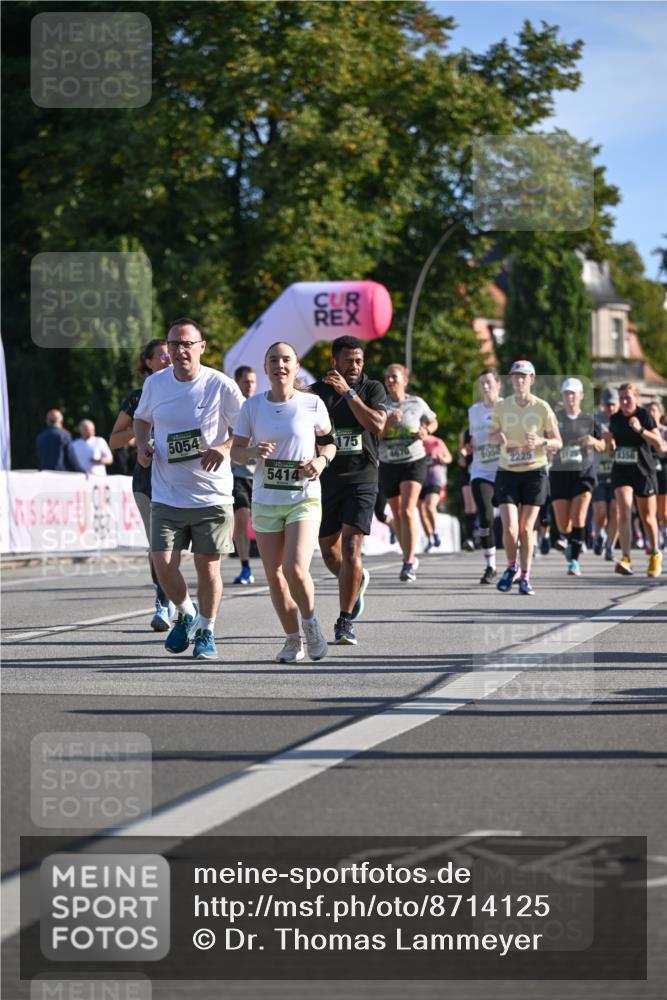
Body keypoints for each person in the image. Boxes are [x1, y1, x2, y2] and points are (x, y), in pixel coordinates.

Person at [134, 318, 244, 659]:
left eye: (187, 344)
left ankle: (207, 631)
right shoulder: (155, 383)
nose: (180, 350)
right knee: (162, 562)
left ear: (201, 347)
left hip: (211, 494)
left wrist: (224, 447)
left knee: (207, 568)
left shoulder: (221, 385)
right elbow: (142, 418)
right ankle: (186, 612)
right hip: (167, 492)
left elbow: (245, 430)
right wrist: (142, 445)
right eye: (174, 344)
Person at [231, 342, 336, 662]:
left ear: (296, 366)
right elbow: (236, 451)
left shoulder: (312, 403)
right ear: (265, 368)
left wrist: (321, 462)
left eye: (286, 360)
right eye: (273, 360)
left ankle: (311, 624)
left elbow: (330, 443)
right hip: (266, 499)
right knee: (275, 575)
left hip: (303, 497)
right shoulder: (252, 407)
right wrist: (252, 452)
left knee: (294, 569)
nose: (280, 365)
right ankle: (292, 640)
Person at [309, 335, 387, 645]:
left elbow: (377, 424)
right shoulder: (316, 393)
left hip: (362, 477)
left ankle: (344, 621)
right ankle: (356, 579)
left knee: (352, 547)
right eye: (348, 361)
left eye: (358, 361)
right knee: (330, 553)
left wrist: (349, 392)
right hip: (326, 479)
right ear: (334, 362)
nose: (354, 366)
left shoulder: (371, 388)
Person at [109, 338, 174, 631]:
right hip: (147, 478)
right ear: (148, 363)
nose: (168, 359)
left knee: (177, 547)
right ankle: (163, 601)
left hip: (181, 479)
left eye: (171, 354)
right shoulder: (138, 397)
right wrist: (141, 431)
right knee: (157, 544)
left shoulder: (187, 392)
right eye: (162, 355)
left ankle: (180, 597)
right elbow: (114, 440)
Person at [489, 360, 562, 595]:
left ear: (532, 379)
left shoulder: (542, 407)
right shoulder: (501, 407)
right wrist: (497, 437)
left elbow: (558, 442)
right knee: (510, 528)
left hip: (534, 472)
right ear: (511, 379)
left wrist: (542, 441)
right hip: (507, 471)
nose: (519, 380)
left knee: (526, 528)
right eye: (516, 376)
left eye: (524, 376)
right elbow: (491, 435)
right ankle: (511, 567)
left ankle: (525, 576)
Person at [378, 363, 438, 582]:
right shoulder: (380, 405)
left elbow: (433, 421)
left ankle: (409, 562)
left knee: (407, 510)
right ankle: (408, 556)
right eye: (387, 377)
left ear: (405, 380)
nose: (390, 381)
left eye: (394, 377)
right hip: (388, 463)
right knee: (397, 513)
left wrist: (426, 430)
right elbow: (374, 434)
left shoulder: (416, 402)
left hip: (413, 461)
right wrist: (388, 425)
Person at [548, 378, 605, 577]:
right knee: (564, 524)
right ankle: (572, 543)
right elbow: (546, 441)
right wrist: (549, 448)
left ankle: (573, 561)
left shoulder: (589, 420)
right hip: (560, 474)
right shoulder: (555, 420)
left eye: (573, 393)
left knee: (579, 516)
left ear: (581, 396)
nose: (570, 397)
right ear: (563, 397)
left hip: (583, 474)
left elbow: (603, 445)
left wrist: (593, 441)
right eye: (567, 393)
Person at [607, 383, 662, 577]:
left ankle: (655, 553)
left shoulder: (644, 416)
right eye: (621, 398)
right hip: (621, 471)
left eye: (627, 398)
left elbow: (659, 444)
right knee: (623, 511)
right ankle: (626, 558)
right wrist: (611, 445)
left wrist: (640, 430)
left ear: (636, 399)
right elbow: (611, 446)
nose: (624, 402)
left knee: (648, 518)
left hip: (643, 471)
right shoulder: (615, 419)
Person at [468, 368, 502, 583]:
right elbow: (473, 438)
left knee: (510, 520)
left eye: (489, 382)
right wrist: (469, 447)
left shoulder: (508, 407)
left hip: (506, 470)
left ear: (498, 384)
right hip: (480, 470)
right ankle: (491, 566)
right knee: (486, 516)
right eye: (482, 384)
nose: (486, 387)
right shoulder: (474, 411)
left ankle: (516, 564)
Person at [230, 365, 257, 585]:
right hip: (238, 474)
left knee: (266, 523)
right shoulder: (232, 408)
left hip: (260, 475)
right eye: (246, 381)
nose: (250, 385)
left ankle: (277, 566)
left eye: (253, 382)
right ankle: (245, 567)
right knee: (241, 519)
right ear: (237, 382)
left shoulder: (261, 406)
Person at [592, 387, 620, 561]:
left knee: (616, 510)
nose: (610, 408)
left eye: (613, 404)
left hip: (618, 472)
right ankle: (599, 533)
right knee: (601, 511)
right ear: (602, 404)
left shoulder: (623, 419)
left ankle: (610, 546)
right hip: (599, 471)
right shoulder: (595, 419)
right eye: (608, 404)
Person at [419, 433, 452, 553]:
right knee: (421, 511)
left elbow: (449, 458)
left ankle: (435, 531)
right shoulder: (414, 442)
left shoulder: (436, 441)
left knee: (429, 506)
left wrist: (442, 459)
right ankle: (429, 539)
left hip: (435, 479)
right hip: (419, 480)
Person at [647, 400, 667, 550]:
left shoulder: (664, 431)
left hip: (664, 472)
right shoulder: (644, 432)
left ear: (661, 414)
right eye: (649, 410)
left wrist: (661, 446)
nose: (651, 413)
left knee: (663, 512)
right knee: (650, 512)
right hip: (648, 473)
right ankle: (654, 541)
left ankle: (665, 533)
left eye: (654, 410)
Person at [457, 428, 477, 551]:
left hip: (485, 472)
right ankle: (470, 538)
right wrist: (462, 455)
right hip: (469, 472)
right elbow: (461, 460)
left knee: (486, 505)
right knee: (469, 506)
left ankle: (485, 535)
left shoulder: (490, 429)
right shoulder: (464, 434)